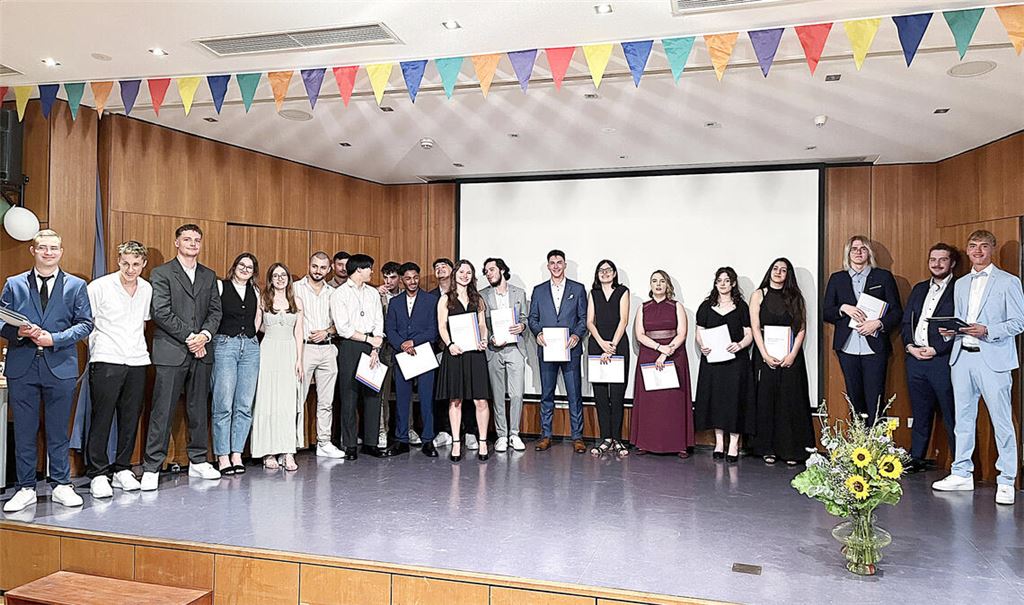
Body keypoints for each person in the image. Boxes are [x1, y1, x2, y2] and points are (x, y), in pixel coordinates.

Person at [1, 230, 93, 512]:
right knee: (24, 430)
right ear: (33, 251)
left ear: (61, 252)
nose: (48, 253)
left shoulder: (76, 285)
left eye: (53, 248)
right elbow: (1, 321)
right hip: (22, 367)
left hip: (60, 366)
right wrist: (20, 333)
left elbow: (85, 323)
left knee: (58, 430)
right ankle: (25, 487)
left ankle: (62, 484)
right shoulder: (14, 284)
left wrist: (55, 338)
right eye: (43, 248)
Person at [933, 230, 1024, 506]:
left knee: (1002, 421)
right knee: (962, 419)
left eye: (984, 246)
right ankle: (962, 472)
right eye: (973, 246)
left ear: (992, 249)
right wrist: (951, 331)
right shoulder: (960, 283)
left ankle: (1006, 479)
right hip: (962, 357)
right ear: (967, 249)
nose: (978, 251)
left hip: (993, 358)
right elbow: (962, 320)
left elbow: (1018, 322)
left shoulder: (1009, 281)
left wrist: (988, 330)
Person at [141, 224, 223, 491]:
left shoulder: (209, 275)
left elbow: (215, 311)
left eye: (197, 240)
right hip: (171, 351)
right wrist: (191, 337)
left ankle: (198, 460)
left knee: (198, 408)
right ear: (177, 243)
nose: (192, 244)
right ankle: (152, 466)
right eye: (187, 239)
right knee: (162, 410)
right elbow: (161, 312)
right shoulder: (161, 273)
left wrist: (205, 336)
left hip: (202, 352)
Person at [84, 240, 151, 498]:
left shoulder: (146, 289)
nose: (130, 269)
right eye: (125, 263)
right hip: (106, 358)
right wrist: (99, 347)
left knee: (130, 417)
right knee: (102, 417)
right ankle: (98, 473)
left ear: (143, 264)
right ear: (118, 262)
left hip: (137, 360)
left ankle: (123, 468)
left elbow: (143, 323)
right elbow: (84, 323)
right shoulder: (99, 287)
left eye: (136, 264)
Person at [823, 235, 903, 426]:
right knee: (854, 399)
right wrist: (843, 308)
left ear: (869, 253)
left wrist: (878, 324)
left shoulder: (883, 277)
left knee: (876, 399)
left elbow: (897, 312)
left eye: (863, 248)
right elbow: (826, 312)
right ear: (848, 253)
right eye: (854, 249)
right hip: (847, 348)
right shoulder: (837, 279)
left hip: (874, 348)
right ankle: (858, 441)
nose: (858, 252)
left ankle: (876, 442)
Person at [748, 258, 814, 466]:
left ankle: (791, 451)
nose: (778, 272)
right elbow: (755, 327)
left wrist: (792, 354)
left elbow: (801, 328)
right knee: (766, 401)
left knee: (790, 401)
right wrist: (765, 355)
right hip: (764, 355)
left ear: (788, 275)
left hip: (791, 355)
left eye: (783, 270)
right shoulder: (758, 295)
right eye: (775, 268)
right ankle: (767, 449)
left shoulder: (795, 297)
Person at [900, 244, 958, 474]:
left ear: (952, 263)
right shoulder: (919, 288)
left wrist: (937, 349)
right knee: (920, 412)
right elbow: (907, 321)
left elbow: (960, 325)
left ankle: (960, 465)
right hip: (915, 360)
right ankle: (916, 457)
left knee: (951, 414)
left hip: (942, 361)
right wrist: (909, 347)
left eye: (943, 260)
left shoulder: (960, 288)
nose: (937, 264)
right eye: (933, 259)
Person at [330, 253, 391, 459]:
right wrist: (369, 340)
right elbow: (343, 328)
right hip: (350, 346)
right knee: (349, 395)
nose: (372, 272)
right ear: (358, 270)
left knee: (373, 393)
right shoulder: (339, 294)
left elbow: (378, 322)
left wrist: (375, 347)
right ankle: (349, 444)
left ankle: (371, 443)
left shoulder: (372, 293)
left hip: (373, 346)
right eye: (369, 268)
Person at [529, 250, 588, 453]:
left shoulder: (578, 289)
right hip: (547, 350)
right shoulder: (538, 291)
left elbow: (583, 318)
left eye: (559, 262)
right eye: (552, 263)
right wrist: (537, 333)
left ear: (565, 265)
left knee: (574, 394)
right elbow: (533, 318)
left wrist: (577, 335)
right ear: (548, 266)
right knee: (547, 394)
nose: (555, 266)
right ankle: (546, 435)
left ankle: (577, 437)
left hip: (570, 349)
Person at [630, 270, 694, 458]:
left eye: (662, 281)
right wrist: (659, 348)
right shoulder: (643, 307)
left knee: (673, 401)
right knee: (650, 402)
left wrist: (666, 352)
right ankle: (645, 442)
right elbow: (640, 335)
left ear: (668, 285)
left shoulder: (677, 306)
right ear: (650, 285)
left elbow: (681, 333)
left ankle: (679, 444)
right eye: (654, 281)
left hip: (674, 356)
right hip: (649, 354)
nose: (658, 284)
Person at [694, 267, 754, 463]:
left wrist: (740, 345)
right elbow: (699, 332)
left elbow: (749, 334)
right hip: (713, 363)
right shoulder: (706, 306)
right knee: (717, 401)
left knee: (735, 400)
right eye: (719, 280)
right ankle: (719, 443)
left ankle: (734, 444)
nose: (722, 284)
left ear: (733, 283)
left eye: (727, 280)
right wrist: (702, 345)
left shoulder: (742, 307)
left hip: (736, 363)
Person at [210, 252, 261, 476]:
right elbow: (212, 314)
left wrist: (250, 336)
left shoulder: (255, 291)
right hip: (225, 345)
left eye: (250, 267)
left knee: (244, 404)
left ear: (253, 272)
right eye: (242, 265)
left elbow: (257, 318)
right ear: (234, 266)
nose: (245, 269)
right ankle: (222, 456)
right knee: (223, 403)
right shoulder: (221, 286)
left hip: (250, 347)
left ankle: (237, 454)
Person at [251, 263, 305, 471]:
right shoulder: (263, 299)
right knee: (267, 401)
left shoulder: (297, 301)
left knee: (287, 403)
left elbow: (299, 332)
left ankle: (288, 451)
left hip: (289, 352)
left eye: (283, 275)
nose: (280, 278)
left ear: (288, 278)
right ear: (270, 279)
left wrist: (299, 360)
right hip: (268, 351)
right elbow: (255, 326)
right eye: (276, 275)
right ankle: (268, 452)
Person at [436, 260, 491, 462]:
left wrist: (484, 339)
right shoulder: (445, 299)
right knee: (455, 400)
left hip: (475, 354)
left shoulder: (478, 299)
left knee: (481, 400)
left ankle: (482, 441)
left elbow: (482, 324)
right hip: (455, 353)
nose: (465, 275)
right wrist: (450, 344)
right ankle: (456, 443)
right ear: (455, 274)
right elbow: (442, 326)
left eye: (469, 272)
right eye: (461, 272)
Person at [384, 262, 439, 457]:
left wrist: (413, 342)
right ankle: (401, 440)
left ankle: (428, 440)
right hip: (402, 355)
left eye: (415, 277)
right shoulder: (395, 302)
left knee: (426, 399)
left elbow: (434, 330)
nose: (413, 281)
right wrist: (402, 345)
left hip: (424, 354)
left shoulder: (431, 300)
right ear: (402, 280)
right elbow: (389, 329)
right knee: (402, 399)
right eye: (408, 278)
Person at [293, 252, 343, 459]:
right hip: (304, 349)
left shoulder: (334, 293)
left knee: (326, 401)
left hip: (328, 348)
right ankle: (290, 445)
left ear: (329, 269)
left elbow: (342, 324)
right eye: (315, 266)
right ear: (309, 265)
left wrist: (327, 332)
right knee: (297, 399)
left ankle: (324, 442)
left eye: (323, 267)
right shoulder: (295, 288)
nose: (318, 271)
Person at [481, 257, 528, 453]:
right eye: (486, 271)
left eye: (491, 269)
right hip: (494, 349)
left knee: (517, 394)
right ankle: (502, 435)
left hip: (515, 348)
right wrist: (491, 338)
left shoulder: (519, 292)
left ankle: (514, 434)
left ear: (501, 270)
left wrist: (522, 326)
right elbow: (481, 323)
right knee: (498, 394)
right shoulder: (482, 295)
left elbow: (525, 318)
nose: (488, 274)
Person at [585, 259, 630, 457]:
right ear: (597, 274)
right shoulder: (593, 293)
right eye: (601, 270)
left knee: (617, 395)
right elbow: (589, 322)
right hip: (597, 344)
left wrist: (611, 346)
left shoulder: (623, 291)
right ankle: (605, 439)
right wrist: (602, 343)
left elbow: (624, 320)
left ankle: (617, 439)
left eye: (608, 270)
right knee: (601, 395)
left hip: (618, 345)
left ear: (614, 273)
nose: (605, 273)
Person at [428, 257, 464, 448]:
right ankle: (443, 431)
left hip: (462, 349)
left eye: (444, 266)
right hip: (437, 350)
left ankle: (467, 431)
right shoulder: (429, 296)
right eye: (437, 267)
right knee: (440, 391)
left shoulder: (462, 293)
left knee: (462, 391)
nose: (440, 269)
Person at [375, 261, 402, 450]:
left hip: (402, 347)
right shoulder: (377, 295)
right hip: (383, 348)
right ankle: (381, 430)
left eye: (392, 277)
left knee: (404, 391)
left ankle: (407, 428)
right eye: (385, 277)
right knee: (382, 393)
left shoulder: (407, 295)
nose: (388, 281)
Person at [329, 250, 350, 446]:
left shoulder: (359, 289)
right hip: (331, 344)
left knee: (350, 393)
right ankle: (332, 437)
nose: (343, 268)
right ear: (333, 266)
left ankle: (348, 436)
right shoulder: (327, 289)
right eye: (339, 264)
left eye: (346, 264)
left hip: (351, 345)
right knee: (332, 396)